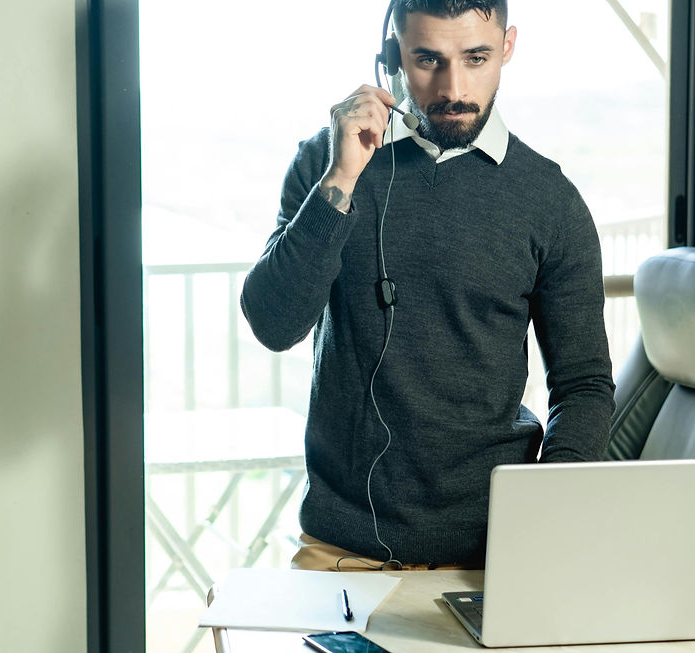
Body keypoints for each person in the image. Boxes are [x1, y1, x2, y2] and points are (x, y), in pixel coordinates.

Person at [240, 0, 615, 571]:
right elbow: (273, 323)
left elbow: (583, 385)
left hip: (495, 553)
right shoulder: (327, 162)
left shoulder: (550, 202)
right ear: (392, 57)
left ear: (508, 48)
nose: (453, 87)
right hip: (342, 549)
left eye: (476, 57)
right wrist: (341, 180)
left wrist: (545, 518)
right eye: (427, 60)